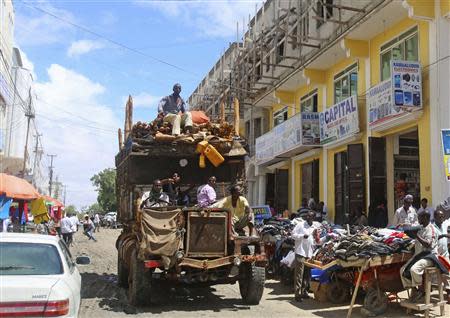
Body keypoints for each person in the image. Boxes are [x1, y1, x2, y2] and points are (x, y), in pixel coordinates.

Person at [400, 210, 439, 302]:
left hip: (429, 256)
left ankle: (421, 291)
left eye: (419, 217)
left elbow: (428, 244)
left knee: (414, 270)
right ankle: (415, 290)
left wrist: (416, 236)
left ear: (425, 218)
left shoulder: (431, 229)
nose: (418, 219)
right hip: (420, 256)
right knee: (402, 270)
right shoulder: (421, 228)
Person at [291, 210, 322, 302]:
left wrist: (319, 239)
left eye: (310, 216)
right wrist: (302, 236)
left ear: (313, 218)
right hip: (300, 252)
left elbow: (316, 241)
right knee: (299, 274)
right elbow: (293, 235)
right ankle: (297, 294)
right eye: (307, 216)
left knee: (307, 274)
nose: (308, 217)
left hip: (309, 253)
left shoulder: (314, 227)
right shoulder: (300, 225)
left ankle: (304, 292)